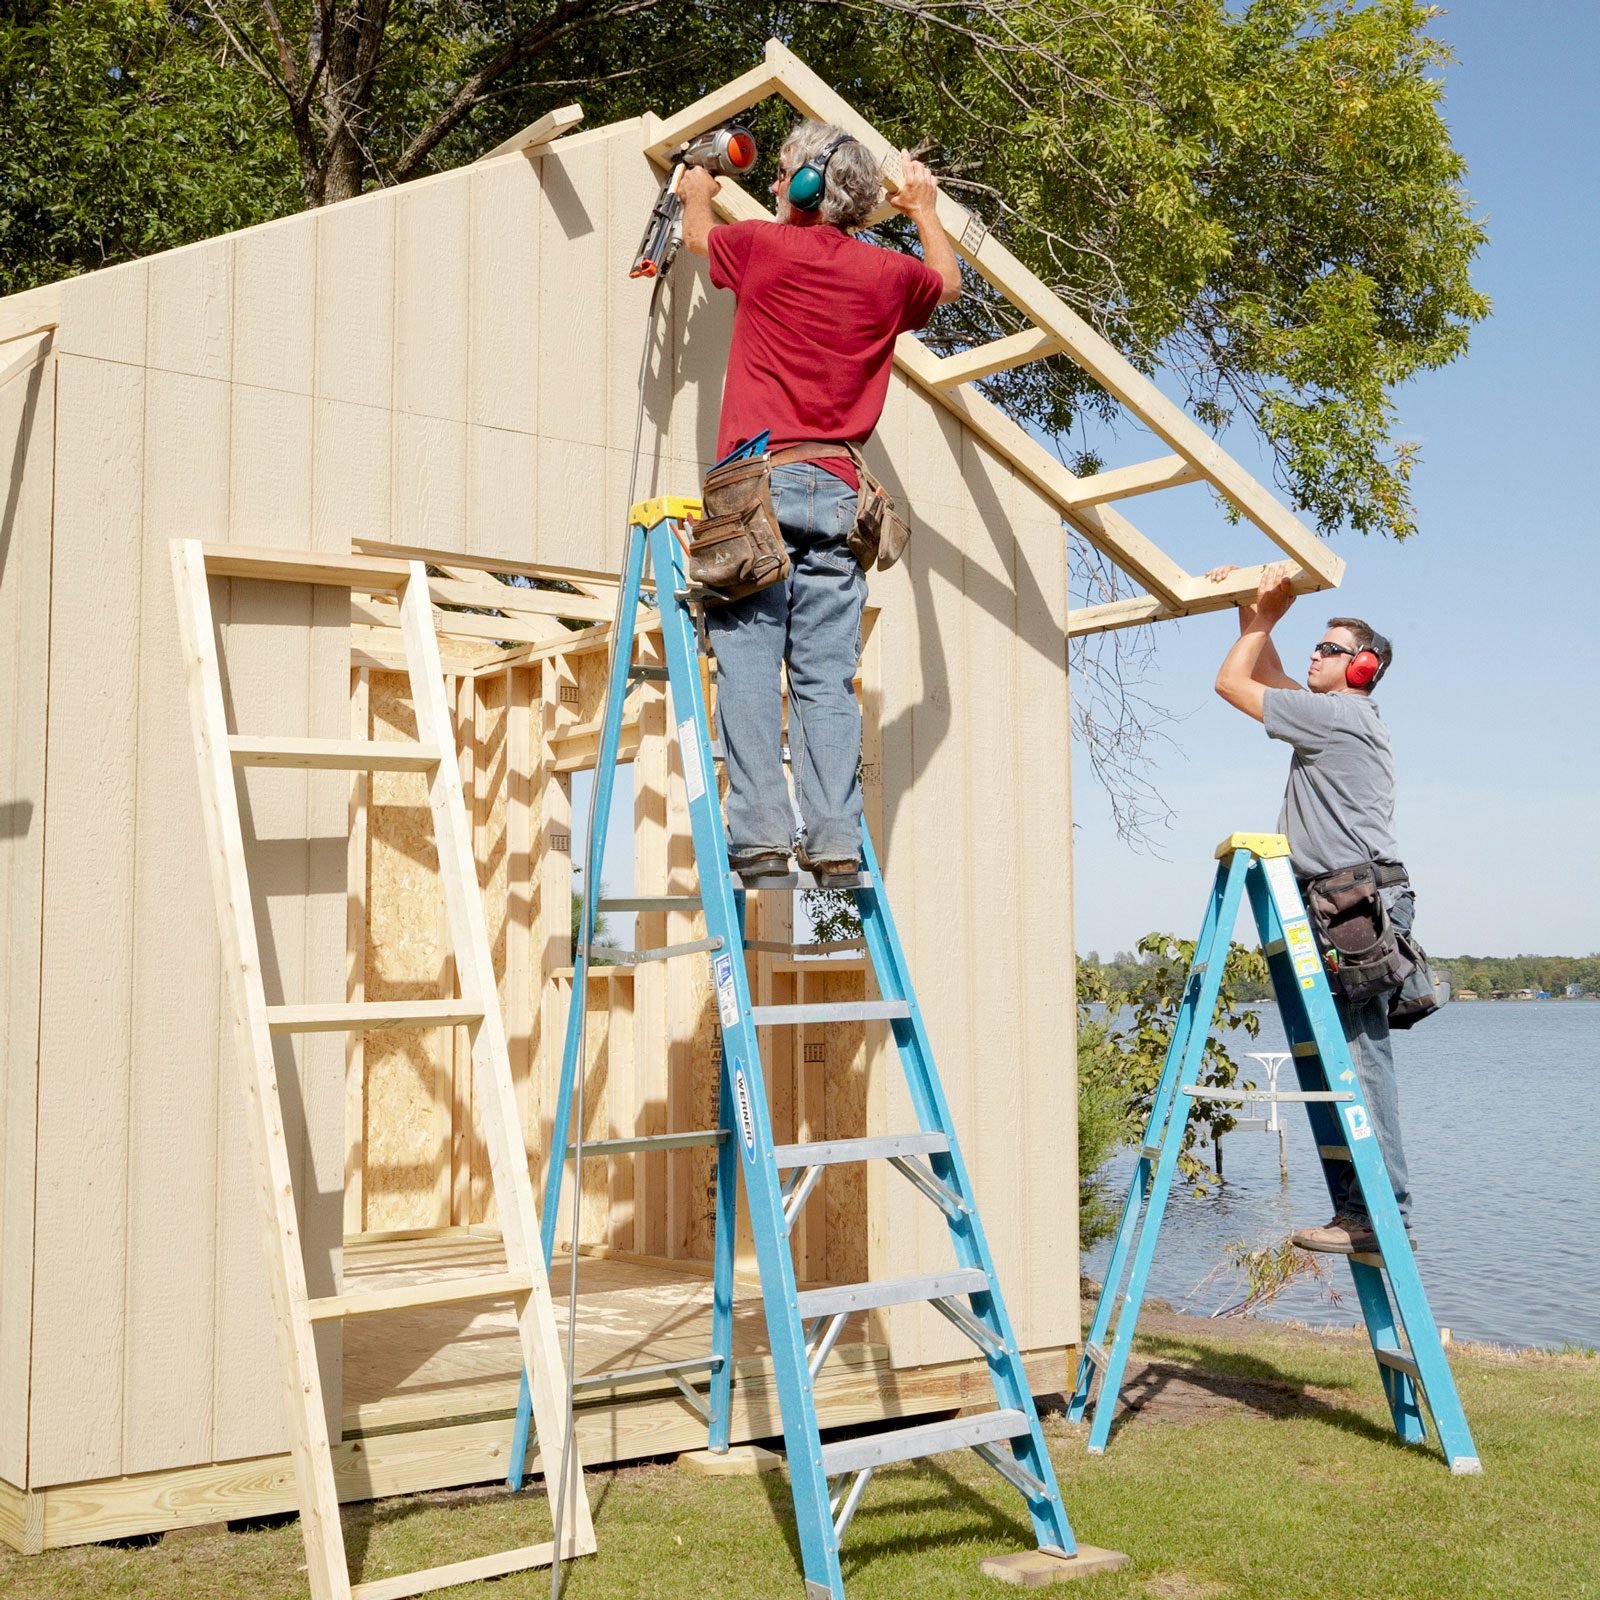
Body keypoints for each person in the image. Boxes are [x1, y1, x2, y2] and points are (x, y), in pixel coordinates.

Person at [678, 122, 961, 885]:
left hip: (757, 489)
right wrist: (924, 207)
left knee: (746, 664)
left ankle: (764, 843)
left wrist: (698, 190)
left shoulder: (762, 249)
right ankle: (835, 844)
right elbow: (949, 281)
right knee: (823, 681)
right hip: (838, 494)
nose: (771, 186)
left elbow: (699, 234)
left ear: (806, 190)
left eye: (780, 177)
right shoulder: (889, 276)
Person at [1211, 561, 1415, 1254]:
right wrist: (1249, 606)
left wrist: (1266, 614)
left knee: (1363, 1060)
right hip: (1344, 896)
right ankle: (1366, 1213)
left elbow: (1231, 683)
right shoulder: (1328, 716)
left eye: (1326, 648)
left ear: (1361, 667)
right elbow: (1265, 676)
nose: (1312, 654)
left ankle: (1380, 1220)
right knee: (1351, 1060)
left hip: (1355, 899)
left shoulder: (1338, 716)